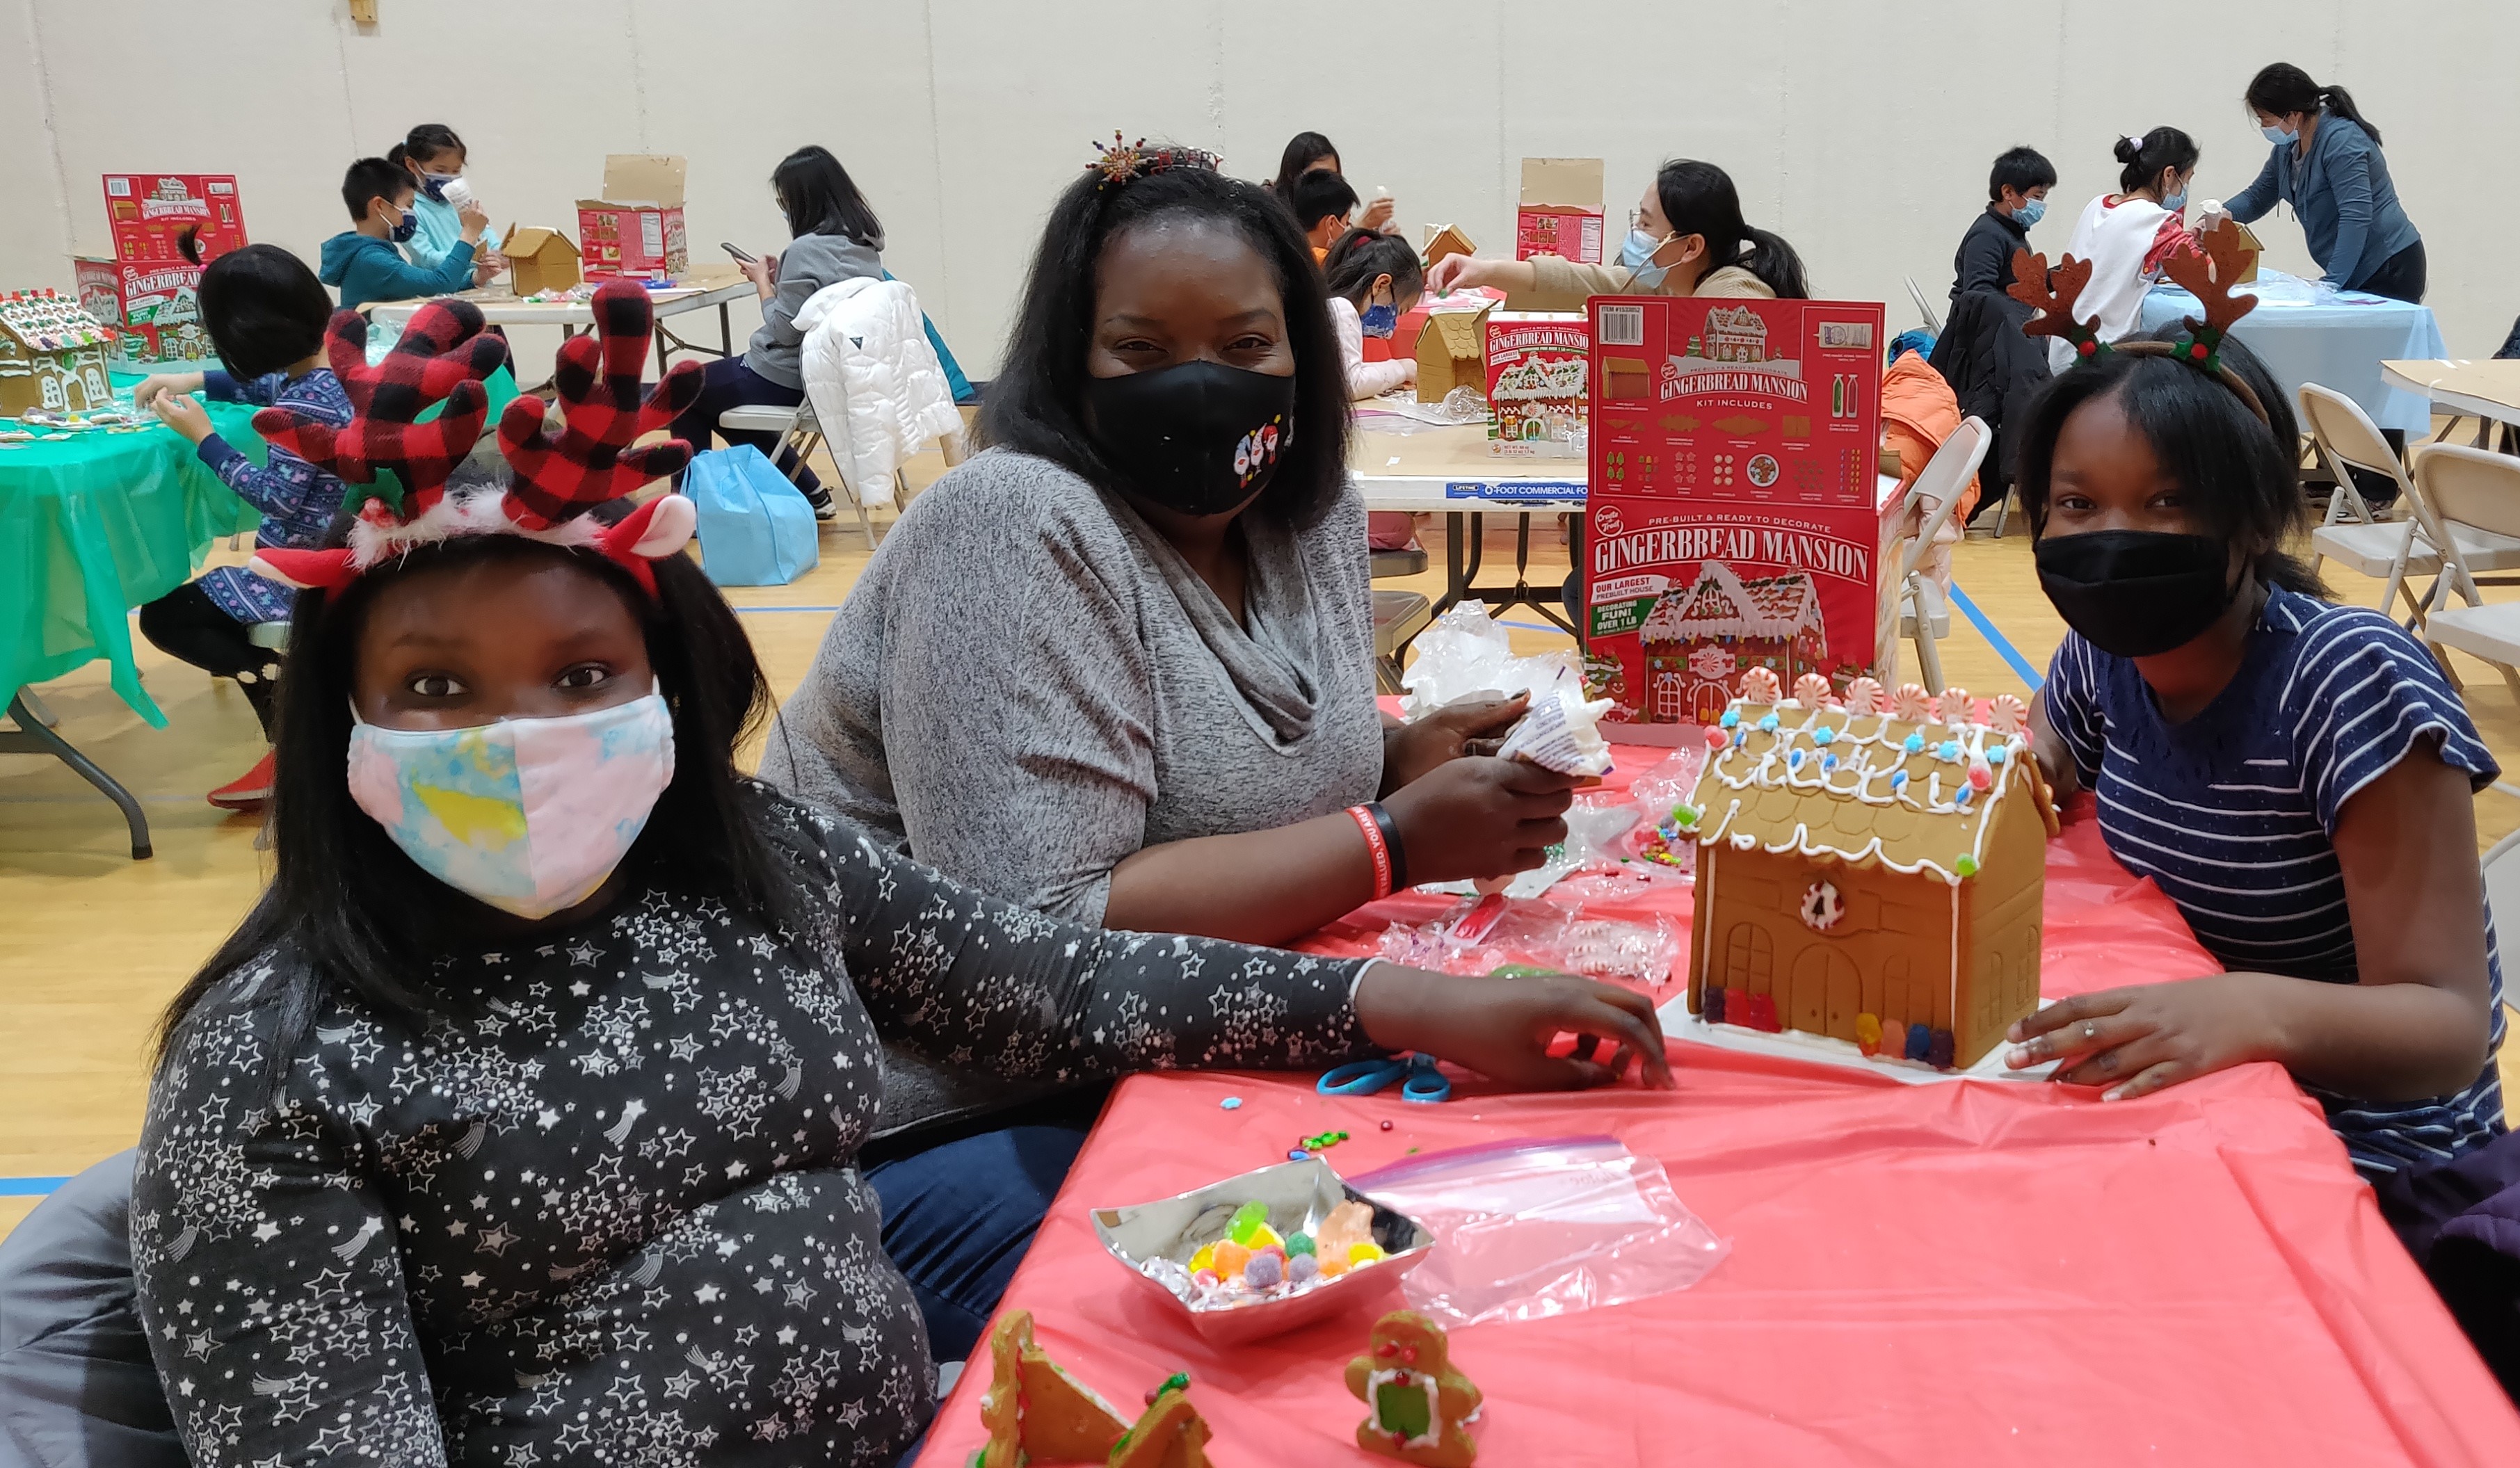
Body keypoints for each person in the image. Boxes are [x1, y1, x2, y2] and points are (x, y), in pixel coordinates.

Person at [126, 292, 1673, 1465]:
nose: (527, 738)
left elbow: (1054, 975)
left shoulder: (741, 864)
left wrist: (1406, 997)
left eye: (580, 671)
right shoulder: (275, 1064)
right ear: (345, 716)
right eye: (442, 691)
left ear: (664, 681)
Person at [2012, 325, 2503, 1180]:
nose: (2115, 537)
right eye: (2078, 504)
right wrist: (2041, 759)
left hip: (2372, 1154)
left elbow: (2446, 1027)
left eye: (2168, 501)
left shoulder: (2346, 680)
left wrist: (2250, 1009)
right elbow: (2051, 731)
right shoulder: (2104, 652)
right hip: (2186, 1098)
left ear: (2252, 520)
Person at [129, 241, 348, 812]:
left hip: (297, 574)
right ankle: (287, 696)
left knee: (166, 617)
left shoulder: (308, 409)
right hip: (327, 553)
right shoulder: (331, 376)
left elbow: (275, 499)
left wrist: (206, 439)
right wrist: (190, 380)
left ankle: (286, 711)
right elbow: (263, 388)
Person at [667, 144, 883, 519]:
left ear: (804, 200)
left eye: (785, 201)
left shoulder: (805, 249)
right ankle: (809, 489)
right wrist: (781, 274)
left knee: (682, 389)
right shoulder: (862, 245)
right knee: (716, 402)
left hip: (784, 375)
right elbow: (815, 307)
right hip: (828, 377)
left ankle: (687, 509)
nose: (784, 209)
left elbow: (783, 330)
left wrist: (763, 284)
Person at [1427, 159, 1808, 307]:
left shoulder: (1733, 293)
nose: (1636, 233)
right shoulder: (1675, 282)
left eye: (1646, 224)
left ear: (1690, 246)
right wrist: (1482, 270)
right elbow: (1584, 279)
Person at [2216, 64, 2423, 301]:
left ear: (2293, 115)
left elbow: (2355, 215)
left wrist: (2331, 283)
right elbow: (2258, 196)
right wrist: (2222, 216)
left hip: (2388, 267)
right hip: (2352, 270)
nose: (2264, 128)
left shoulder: (2342, 141)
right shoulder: (2287, 148)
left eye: (2266, 120)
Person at [2046, 129, 2199, 371]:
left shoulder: (2098, 205)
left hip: (2063, 350)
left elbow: (2119, 263)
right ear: (2169, 175)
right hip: (2105, 360)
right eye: (2187, 180)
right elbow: (2208, 276)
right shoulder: (2158, 222)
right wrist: (2215, 235)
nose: (2185, 190)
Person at [317, 156, 486, 313]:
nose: (412, 214)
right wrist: (469, 234)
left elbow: (424, 286)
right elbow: (440, 283)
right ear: (380, 206)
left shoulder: (373, 252)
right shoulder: (371, 259)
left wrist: (476, 278)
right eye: (409, 205)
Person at [387, 122, 501, 287]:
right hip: (441, 294)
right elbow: (427, 259)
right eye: (440, 171)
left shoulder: (460, 202)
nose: (449, 178)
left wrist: (499, 255)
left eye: (456, 171)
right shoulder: (408, 210)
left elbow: (490, 239)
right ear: (412, 165)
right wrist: (472, 255)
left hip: (480, 289)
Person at [1323, 227, 1422, 399]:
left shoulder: (1328, 305)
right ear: (1381, 284)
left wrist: (1389, 378)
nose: (1394, 322)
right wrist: (1401, 370)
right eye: (1397, 310)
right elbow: (1350, 385)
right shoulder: (1341, 310)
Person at [1952, 145, 2055, 302]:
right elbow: (1980, 296)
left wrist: (2065, 275)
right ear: (2008, 192)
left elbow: (2022, 287)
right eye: (2037, 197)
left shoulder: (2011, 231)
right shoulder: (1987, 235)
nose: (2041, 205)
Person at [1268, 131, 1393, 232]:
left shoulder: (1338, 206)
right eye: (1320, 177)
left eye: (1334, 177)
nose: (1328, 185)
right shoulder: (1270, 213)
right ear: (1292, 175)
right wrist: (1359, 227)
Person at [1290, 167, 1361, 261]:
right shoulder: (1329, 265)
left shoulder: (1284, 250)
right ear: (1331, 224)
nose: (1347, 228)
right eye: (1347, 221)